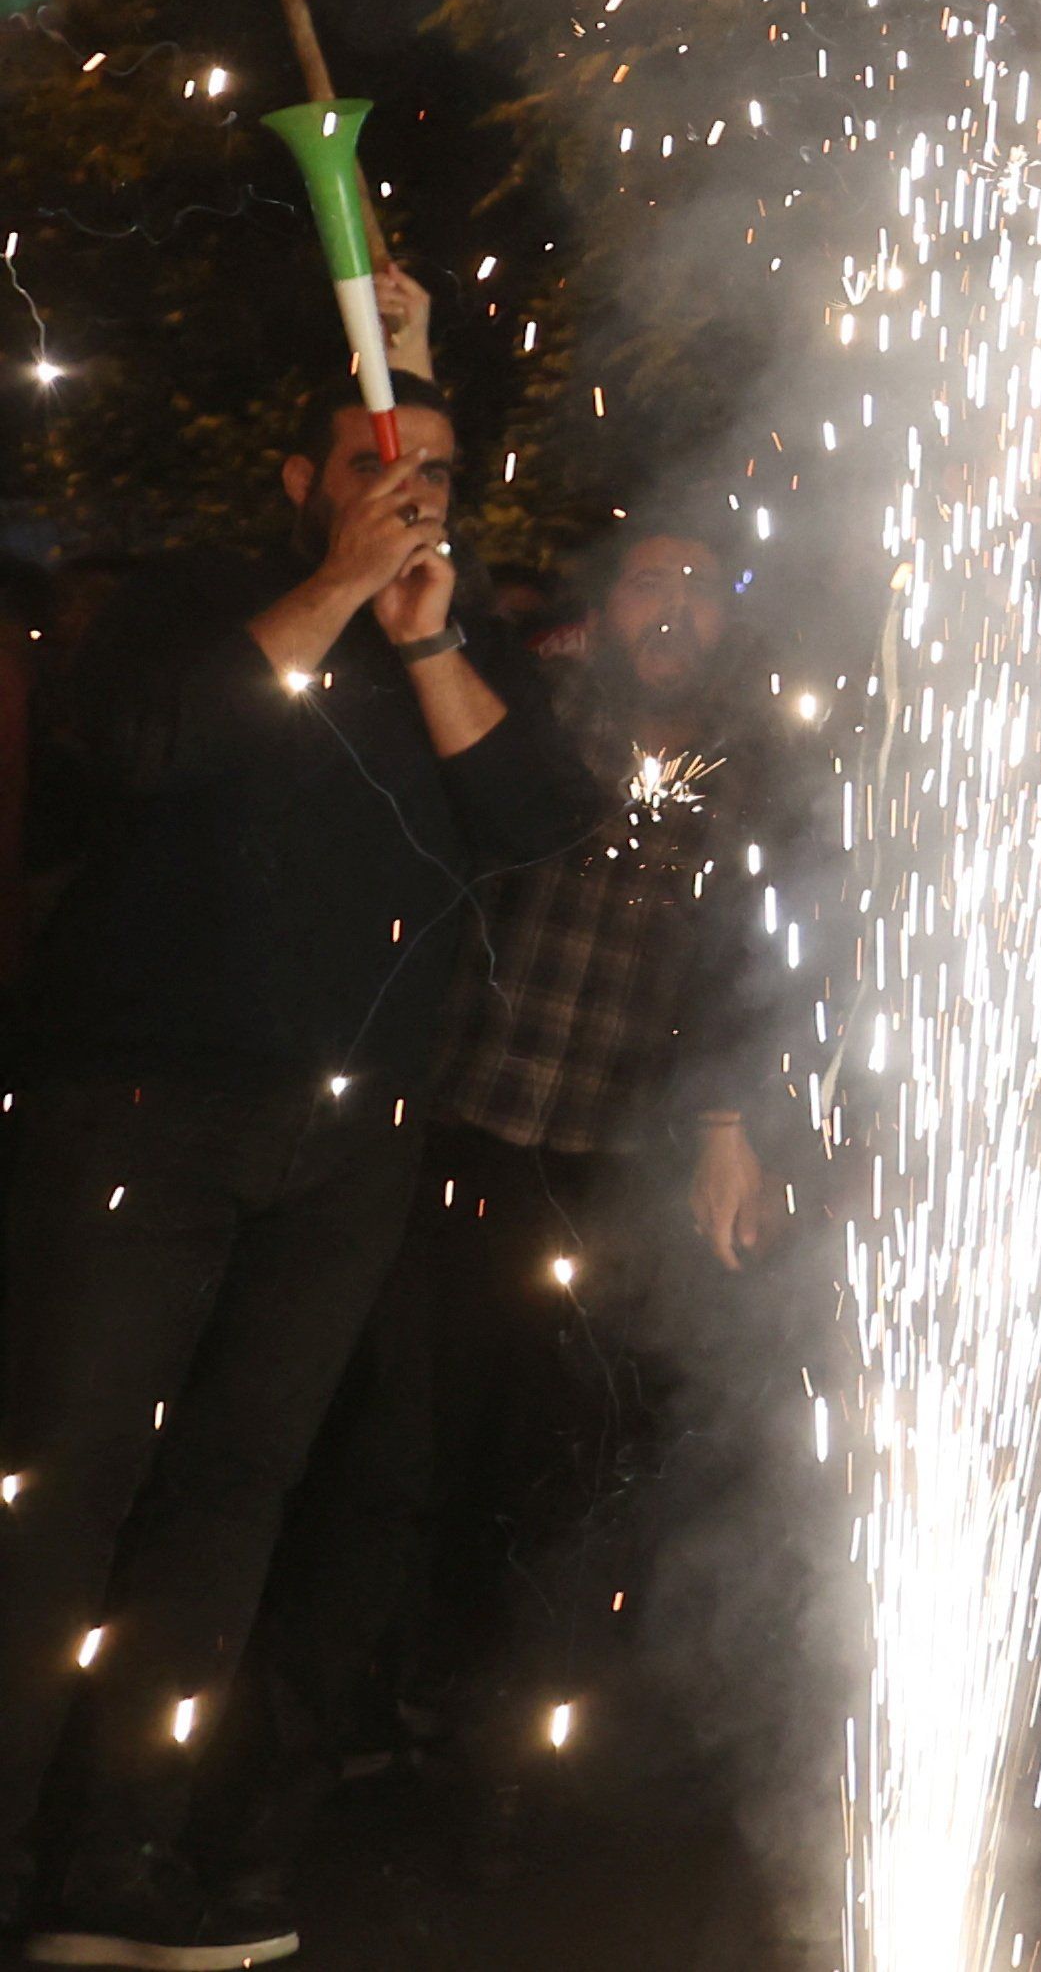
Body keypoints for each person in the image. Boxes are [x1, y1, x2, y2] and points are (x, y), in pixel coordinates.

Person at [2, 380, 600, 1964]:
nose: (411, 499)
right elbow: (140, 744)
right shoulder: (199, 595)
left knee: (233, 1496)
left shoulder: (445, 636)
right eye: (373, 469)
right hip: (137, 1109)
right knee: (63, 1489)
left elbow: (541, 812)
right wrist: (337, 587)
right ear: (300, 477)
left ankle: (116, 1860)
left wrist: (417, 633)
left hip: (348, 1140)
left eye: (439, 476)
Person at [218, 520, 759, 1897]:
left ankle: (492, 1779)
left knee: (555, 1478)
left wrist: (722, 1130)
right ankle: (281, 1790)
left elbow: (748, 971)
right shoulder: (533, 706)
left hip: (606, 1165)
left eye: (703, 588)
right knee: (384, 1463)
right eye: (653, 577)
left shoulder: (756, 769)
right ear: (608, 593)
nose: (675, 607)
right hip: (450, 1128)